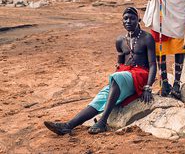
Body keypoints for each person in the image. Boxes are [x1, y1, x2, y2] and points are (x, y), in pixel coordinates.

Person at [44, 7, 157, 135]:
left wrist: (148, 87)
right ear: (122, 21)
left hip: (140, 75)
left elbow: (153, 64)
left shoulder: (147, 38)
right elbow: (119, 64)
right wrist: (112, 85)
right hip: (123, 76)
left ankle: (102, 122)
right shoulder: (120, 40)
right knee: (100, 97)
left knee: (116, 78)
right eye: (125, 18)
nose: (128, 21)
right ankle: (68, 125)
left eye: (132, 18)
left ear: (139, 20)